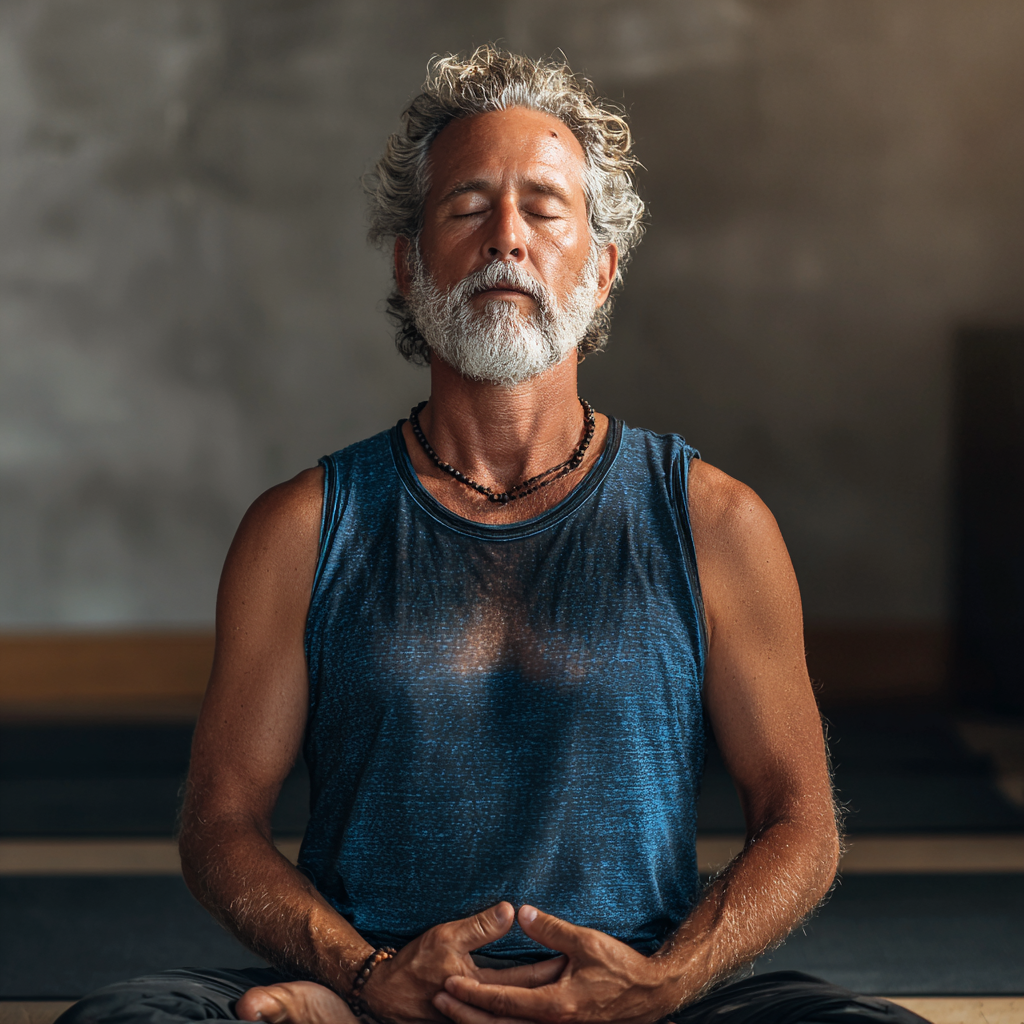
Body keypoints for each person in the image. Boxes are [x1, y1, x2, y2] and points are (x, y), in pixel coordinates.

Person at [59, 47, 931, 1024]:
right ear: (409, 258)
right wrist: (358, 973)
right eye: (468, 206)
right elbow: (220, 825)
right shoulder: (299, 529)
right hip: (376, 998)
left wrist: (667, 981)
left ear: (601, 267)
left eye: (544, 209)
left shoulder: (717, 522)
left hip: (637, 1001)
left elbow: (800, 823)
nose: (505, 238)